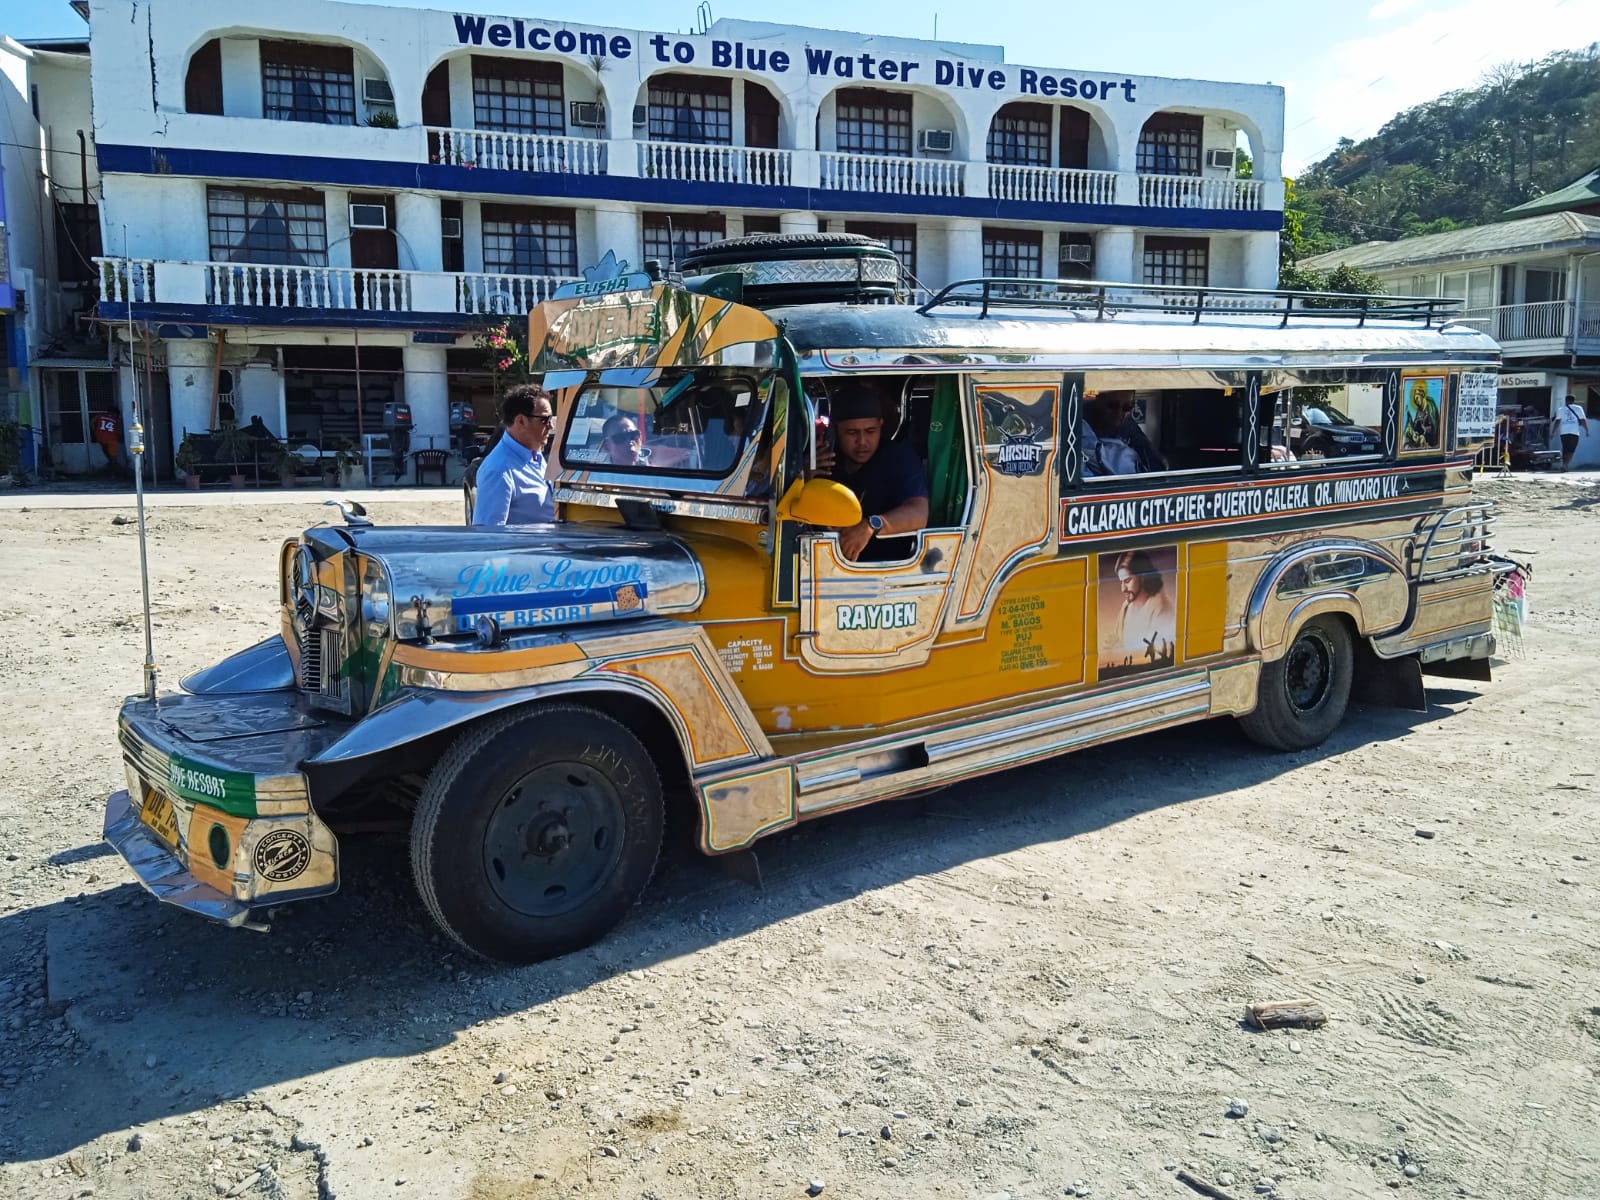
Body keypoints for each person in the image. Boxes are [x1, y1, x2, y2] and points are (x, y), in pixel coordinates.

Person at [815, 381, 928, 563]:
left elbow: (919, 513)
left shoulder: (898, 458)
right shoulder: (823, 460)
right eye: (852, 433)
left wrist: (871, 526)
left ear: (881, 425)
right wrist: (802, 476)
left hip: (887, 566)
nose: (862, 441)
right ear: (835, 430)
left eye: (870, 431)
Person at [471, 385, 557, 526]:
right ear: (521, 421)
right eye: (544, 420)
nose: (551, 426)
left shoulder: (535, 455)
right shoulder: (498, 470)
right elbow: (489, 533)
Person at [1111, 549, 1175, 664]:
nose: (1123, 589)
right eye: (1121, 582)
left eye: (1127, 580)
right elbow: (1115, 640)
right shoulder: (1126, 607)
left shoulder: (1162, 608)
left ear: (1143, 576)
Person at [1081, 390, 1164, 476]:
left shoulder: (1127, 423)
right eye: (1113, 406)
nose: (1119, 413)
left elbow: (1149, 455)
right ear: (1098, 401)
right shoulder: (1079, 421)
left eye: (1127, 407)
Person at [1556, 394, 1589, 471]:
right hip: (1574, 432)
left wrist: (1553, 432)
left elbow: (1557, 421)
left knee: (1565, 449)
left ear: (1565, 400)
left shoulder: (1561, 409)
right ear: (1574, 401)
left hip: (1563, 432)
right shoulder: (1578, 408)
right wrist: (1587, 430)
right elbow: (1582, 420)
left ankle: (1564, 465)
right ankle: (1566, 465)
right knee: (1571, 450)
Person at [90, 408, 121, 474]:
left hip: (101, 438)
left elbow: (92, 422)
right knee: (113, 457)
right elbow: (118, 431)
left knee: (108, 454)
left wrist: (95, 431)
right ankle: (114, 472)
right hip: (112, 439)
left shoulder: (101, 416)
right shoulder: (116, 420)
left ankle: (111, 468)